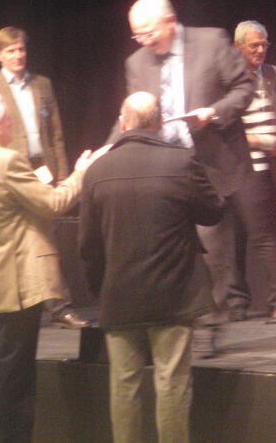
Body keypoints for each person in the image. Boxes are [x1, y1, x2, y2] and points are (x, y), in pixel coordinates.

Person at [0, 93, 102, 443]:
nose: (12, 126)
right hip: (18, 282)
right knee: (15, 379)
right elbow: (55, 202)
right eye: (8, 120)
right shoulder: (7, 162)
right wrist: (81, 173)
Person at [80, 92, 224, 443]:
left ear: (122, 123)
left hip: (119, 294)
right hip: (174, 294)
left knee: (124, 385)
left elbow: (88, 246)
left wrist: (101, 289)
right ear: (160, 123)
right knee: (172, 382)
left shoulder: (97, 171)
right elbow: (214, 212)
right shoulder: (181, 162)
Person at [112, 0, 253, 315]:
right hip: (161, 166)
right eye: (137, 35)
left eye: (149, 33)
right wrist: (109, 148)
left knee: (213, 247)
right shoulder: (137, 62)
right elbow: (132, 114)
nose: (143, 41)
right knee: (168, 248)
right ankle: (176, 319)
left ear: (170, 22)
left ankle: (211, 319)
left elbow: (243, 89)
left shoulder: (211, 41)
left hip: (207, 164)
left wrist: (213, 112)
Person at [0, 26, 89, 330]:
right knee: (20, 238)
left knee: (48, 238)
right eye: (11, 51)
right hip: (6, 172)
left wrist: (62, 174)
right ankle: (26, 303)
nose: (18, 55)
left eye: (21, 49)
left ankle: (59, 305)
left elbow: (56, 134)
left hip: (41, 169)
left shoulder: (42, 84)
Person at [224, 20, 276, 323]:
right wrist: (257, 140)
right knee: (256, 237)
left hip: (274, 167)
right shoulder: (226, 80)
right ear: (238, 47)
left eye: (264, 44)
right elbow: (223, 128)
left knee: (274, 236)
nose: (260, 50)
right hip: (244, 169)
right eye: (254, 45)